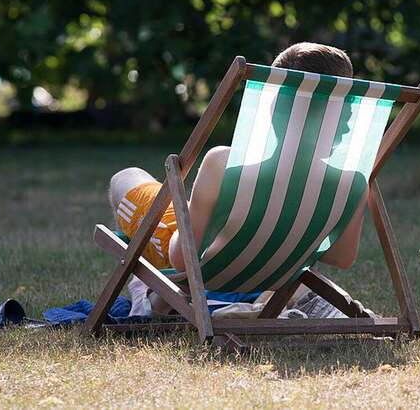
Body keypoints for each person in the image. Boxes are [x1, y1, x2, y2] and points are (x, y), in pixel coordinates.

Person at [108, 42, 364, 274]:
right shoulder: (351, 182)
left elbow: (183, 260)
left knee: (127, 177)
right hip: (273, 272)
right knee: (199, 210)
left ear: (273, 110)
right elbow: (340, 257)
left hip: (208, 270)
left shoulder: (224, 164)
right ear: (347, 116)